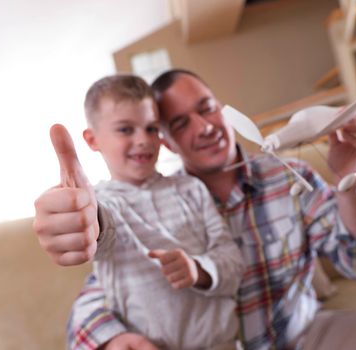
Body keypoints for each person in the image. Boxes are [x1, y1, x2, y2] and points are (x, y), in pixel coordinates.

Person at [34, 70, 356, 350]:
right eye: (179, 123)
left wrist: (349, 185)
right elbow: (109, 283)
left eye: (207, 107)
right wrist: (84, 225)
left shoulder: (288, 177)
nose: (204, 126)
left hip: (304, 335)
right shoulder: (152, 207)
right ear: (170, 144)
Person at [36, 75, 245, 350]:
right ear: (92, 140)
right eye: (125, 129)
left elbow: (232, 260)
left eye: (151, 128)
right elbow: (101, 228)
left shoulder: (191, 189)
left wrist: (198, 269)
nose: (143, 140)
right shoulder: (102, 204)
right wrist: (85, 216)